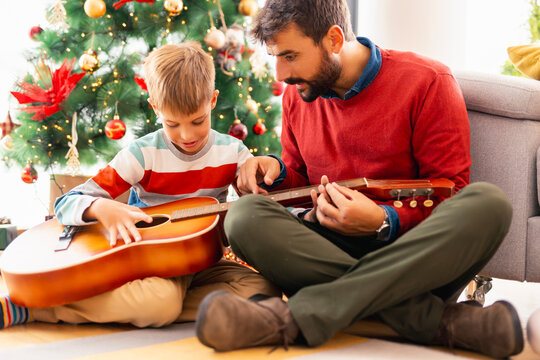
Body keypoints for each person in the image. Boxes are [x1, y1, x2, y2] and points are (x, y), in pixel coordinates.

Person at [194, 1, 523, 358]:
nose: (279, 73)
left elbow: (450, 193)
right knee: (244, 216)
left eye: (289, 55)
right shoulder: (298, 94)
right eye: (275, 56)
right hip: (329, 249)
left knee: (488, 204)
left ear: (334, 39)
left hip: (414, 257)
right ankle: (440, 323)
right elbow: (302, 181)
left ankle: (292, 318)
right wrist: (276, 172)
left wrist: (384, 222)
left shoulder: (428, 81)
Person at [0, 42, 280, 330]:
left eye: (198, 121)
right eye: (172, 124)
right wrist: (101, 207)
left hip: (202, 262)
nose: (186, 135)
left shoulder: (233, 152)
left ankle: (146, 304)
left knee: (261, 290)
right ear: (155, 108)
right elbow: (66, 203)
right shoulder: (142, 154)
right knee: (160, 304)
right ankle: (35, 308)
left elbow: (257, 197)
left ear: (212, 100)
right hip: (152, 263)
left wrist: (258, 175)